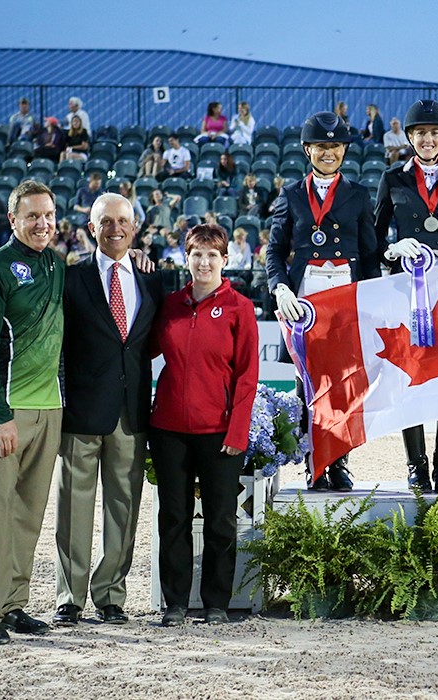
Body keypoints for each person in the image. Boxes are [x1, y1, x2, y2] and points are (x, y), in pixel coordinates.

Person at [53, 193, 164, 627]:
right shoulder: (71, 277)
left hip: (131, 414)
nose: (115, 228)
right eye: (106, 222)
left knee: (124, 508)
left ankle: (111, 594)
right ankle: (70, 597)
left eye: (123, 221)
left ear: (134, 228)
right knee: (73, 509)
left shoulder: (153, 279)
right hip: (81, 413)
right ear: (91, 227)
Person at [0, 180, 65, 644]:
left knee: (27, 512)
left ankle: (13, 603)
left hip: (49, 408)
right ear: (13, 220)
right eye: (33, 216)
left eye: (48, 215)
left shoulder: (58, 266)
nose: (42, 223)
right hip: (3, 410)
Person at [150, 223, 258, 626]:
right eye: (196, 253)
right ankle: (175, 601)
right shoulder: (171, 305)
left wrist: (238, 430)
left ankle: (216, 602)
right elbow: (145, 350)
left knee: (220, 520)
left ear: (225, 260)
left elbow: (247, 376)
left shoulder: (239, 308)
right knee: (173, 518)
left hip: (219, 433)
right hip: (169, 430)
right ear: (186, 257)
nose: (204, 261)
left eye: (212, 254)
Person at [266, 111, 381, 491]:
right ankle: (312, 460)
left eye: (334, 146)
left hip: (345, 291)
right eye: (321, 146)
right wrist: (280, 287)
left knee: (343, 382)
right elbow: (275, 250)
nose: (328, 152)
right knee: (307, 383)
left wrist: (370, 304)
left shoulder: (359, 195)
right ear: (307, 149)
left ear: (344, 150)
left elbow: (368, 253)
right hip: (306, 296)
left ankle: (340, 462)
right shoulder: (290, 194)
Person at [375, 99, 438, 493]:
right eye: (420, 133)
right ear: (410, 137)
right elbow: (376, 233)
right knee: (412, 374)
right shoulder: (393, 179)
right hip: (408, 284)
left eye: (434, 133)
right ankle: (416, 464)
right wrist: (392, 250)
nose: (428, 139)